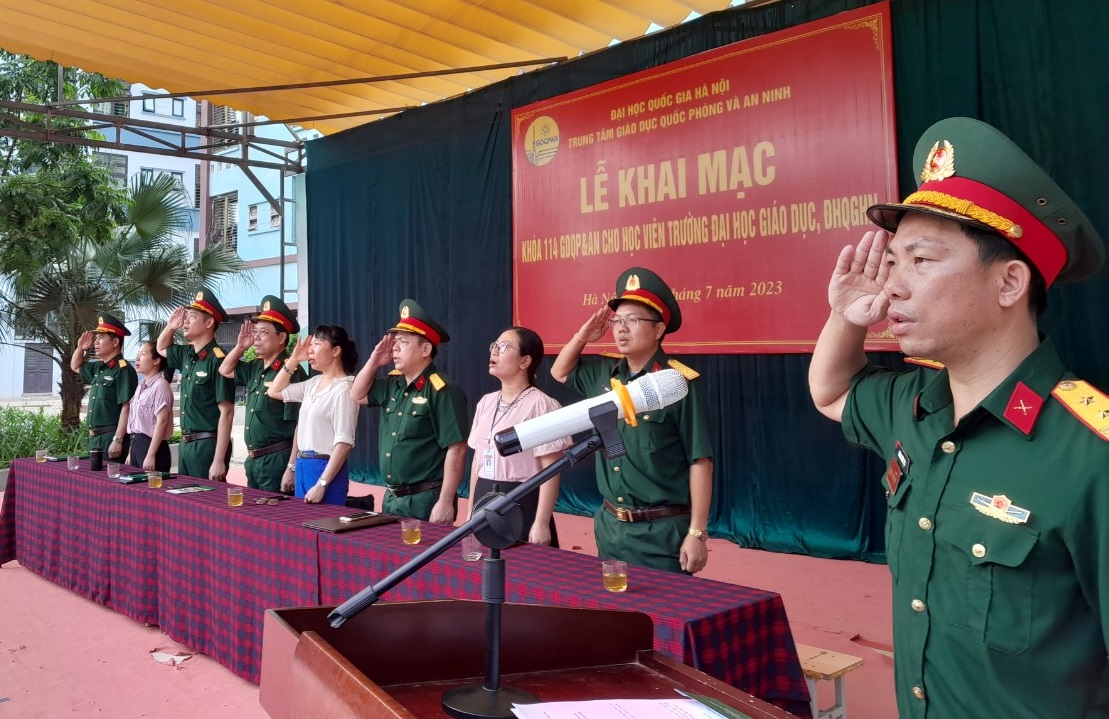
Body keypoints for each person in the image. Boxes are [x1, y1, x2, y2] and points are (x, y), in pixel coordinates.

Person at [807, 117, 1108, 718]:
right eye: (893, 262)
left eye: (921, 260)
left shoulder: (1089, 453)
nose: (893, 287)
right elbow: (830, 391)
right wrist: (845, 316)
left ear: (1009, 283)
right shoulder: (913, 405)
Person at [551, 267, 712, 574]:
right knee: (612, 605)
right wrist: (583, 336)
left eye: (633, 320)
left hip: (661, 531)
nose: (621, 329)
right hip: (610, 525)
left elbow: (700, 460)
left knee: (665, 604)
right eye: (617, 321)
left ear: (659, 329)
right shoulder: (604, 373)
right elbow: (559, 372)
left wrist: (696, 533)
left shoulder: (676, 383)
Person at [350, 299, 469, 523]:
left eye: (403, 342)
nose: (395, 348)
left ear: (425, 349)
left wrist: (445, 501)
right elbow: (356, 395)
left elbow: (457, 448)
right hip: (392, 498)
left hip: (425, 499)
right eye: (395, 342)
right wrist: (374, 361)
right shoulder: (392, 383)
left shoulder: (442, 389)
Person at [465, 327, 569, 546]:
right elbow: (477, 462)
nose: (494, 351)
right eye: (494, 345)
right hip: (483, 499)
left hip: (521, 502)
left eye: (504, 347)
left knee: (519, 565)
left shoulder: (542, 405)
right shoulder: (486, 402)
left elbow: (551, 469)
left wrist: (541, 522)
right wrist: (469, 513)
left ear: (525, 361)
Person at [218, 295, 307, 492]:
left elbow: (300, 425)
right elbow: (224, 370)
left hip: (277, 459)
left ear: (281, 338)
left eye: (264, 332)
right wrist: (241, 347)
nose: (256, 338)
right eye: (255, 332)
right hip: (253, 460)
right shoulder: (255, 367)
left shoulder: (291, 372)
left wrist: (291, 467)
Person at [266, 325, 359, 505]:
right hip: (303, 464)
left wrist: (322, 484)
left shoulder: (344, 389)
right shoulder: (313, 383)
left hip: (324, 468)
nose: (310, 349)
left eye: (317, 344)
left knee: (325, 520)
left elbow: (344, 443)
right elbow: (273, 391)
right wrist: (294, 359)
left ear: (335, 351)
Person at [156, 291, 235, 481]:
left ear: (209, 323)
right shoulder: (186, 354)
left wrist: (218, 459)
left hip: (207, 444)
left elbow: (227, 412)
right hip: (186, 444)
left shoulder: (219, 360)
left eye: (192, 316)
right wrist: (170, 327)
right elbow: (161, 348)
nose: (186, 321)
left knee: (207, 497)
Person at [70, 312, 139, 460]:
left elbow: (127, 407)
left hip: (110, 437)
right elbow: (75, 366)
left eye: (101, 338)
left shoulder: (123, 369)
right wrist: (81, 348)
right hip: (94, 438)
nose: (96, 342)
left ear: (115, 342)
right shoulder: (99, 367)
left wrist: (118, 440)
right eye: (96, 338)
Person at [126, 341, 175, 472]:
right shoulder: (140, 386)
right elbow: (136, 423)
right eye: (138, 354)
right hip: (136, 444)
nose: (137, 358)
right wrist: (131, 452)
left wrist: (151, 455)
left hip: (152, 447)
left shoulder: (161, 386)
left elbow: (162, 422)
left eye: (143, 354)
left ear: (156, 360)